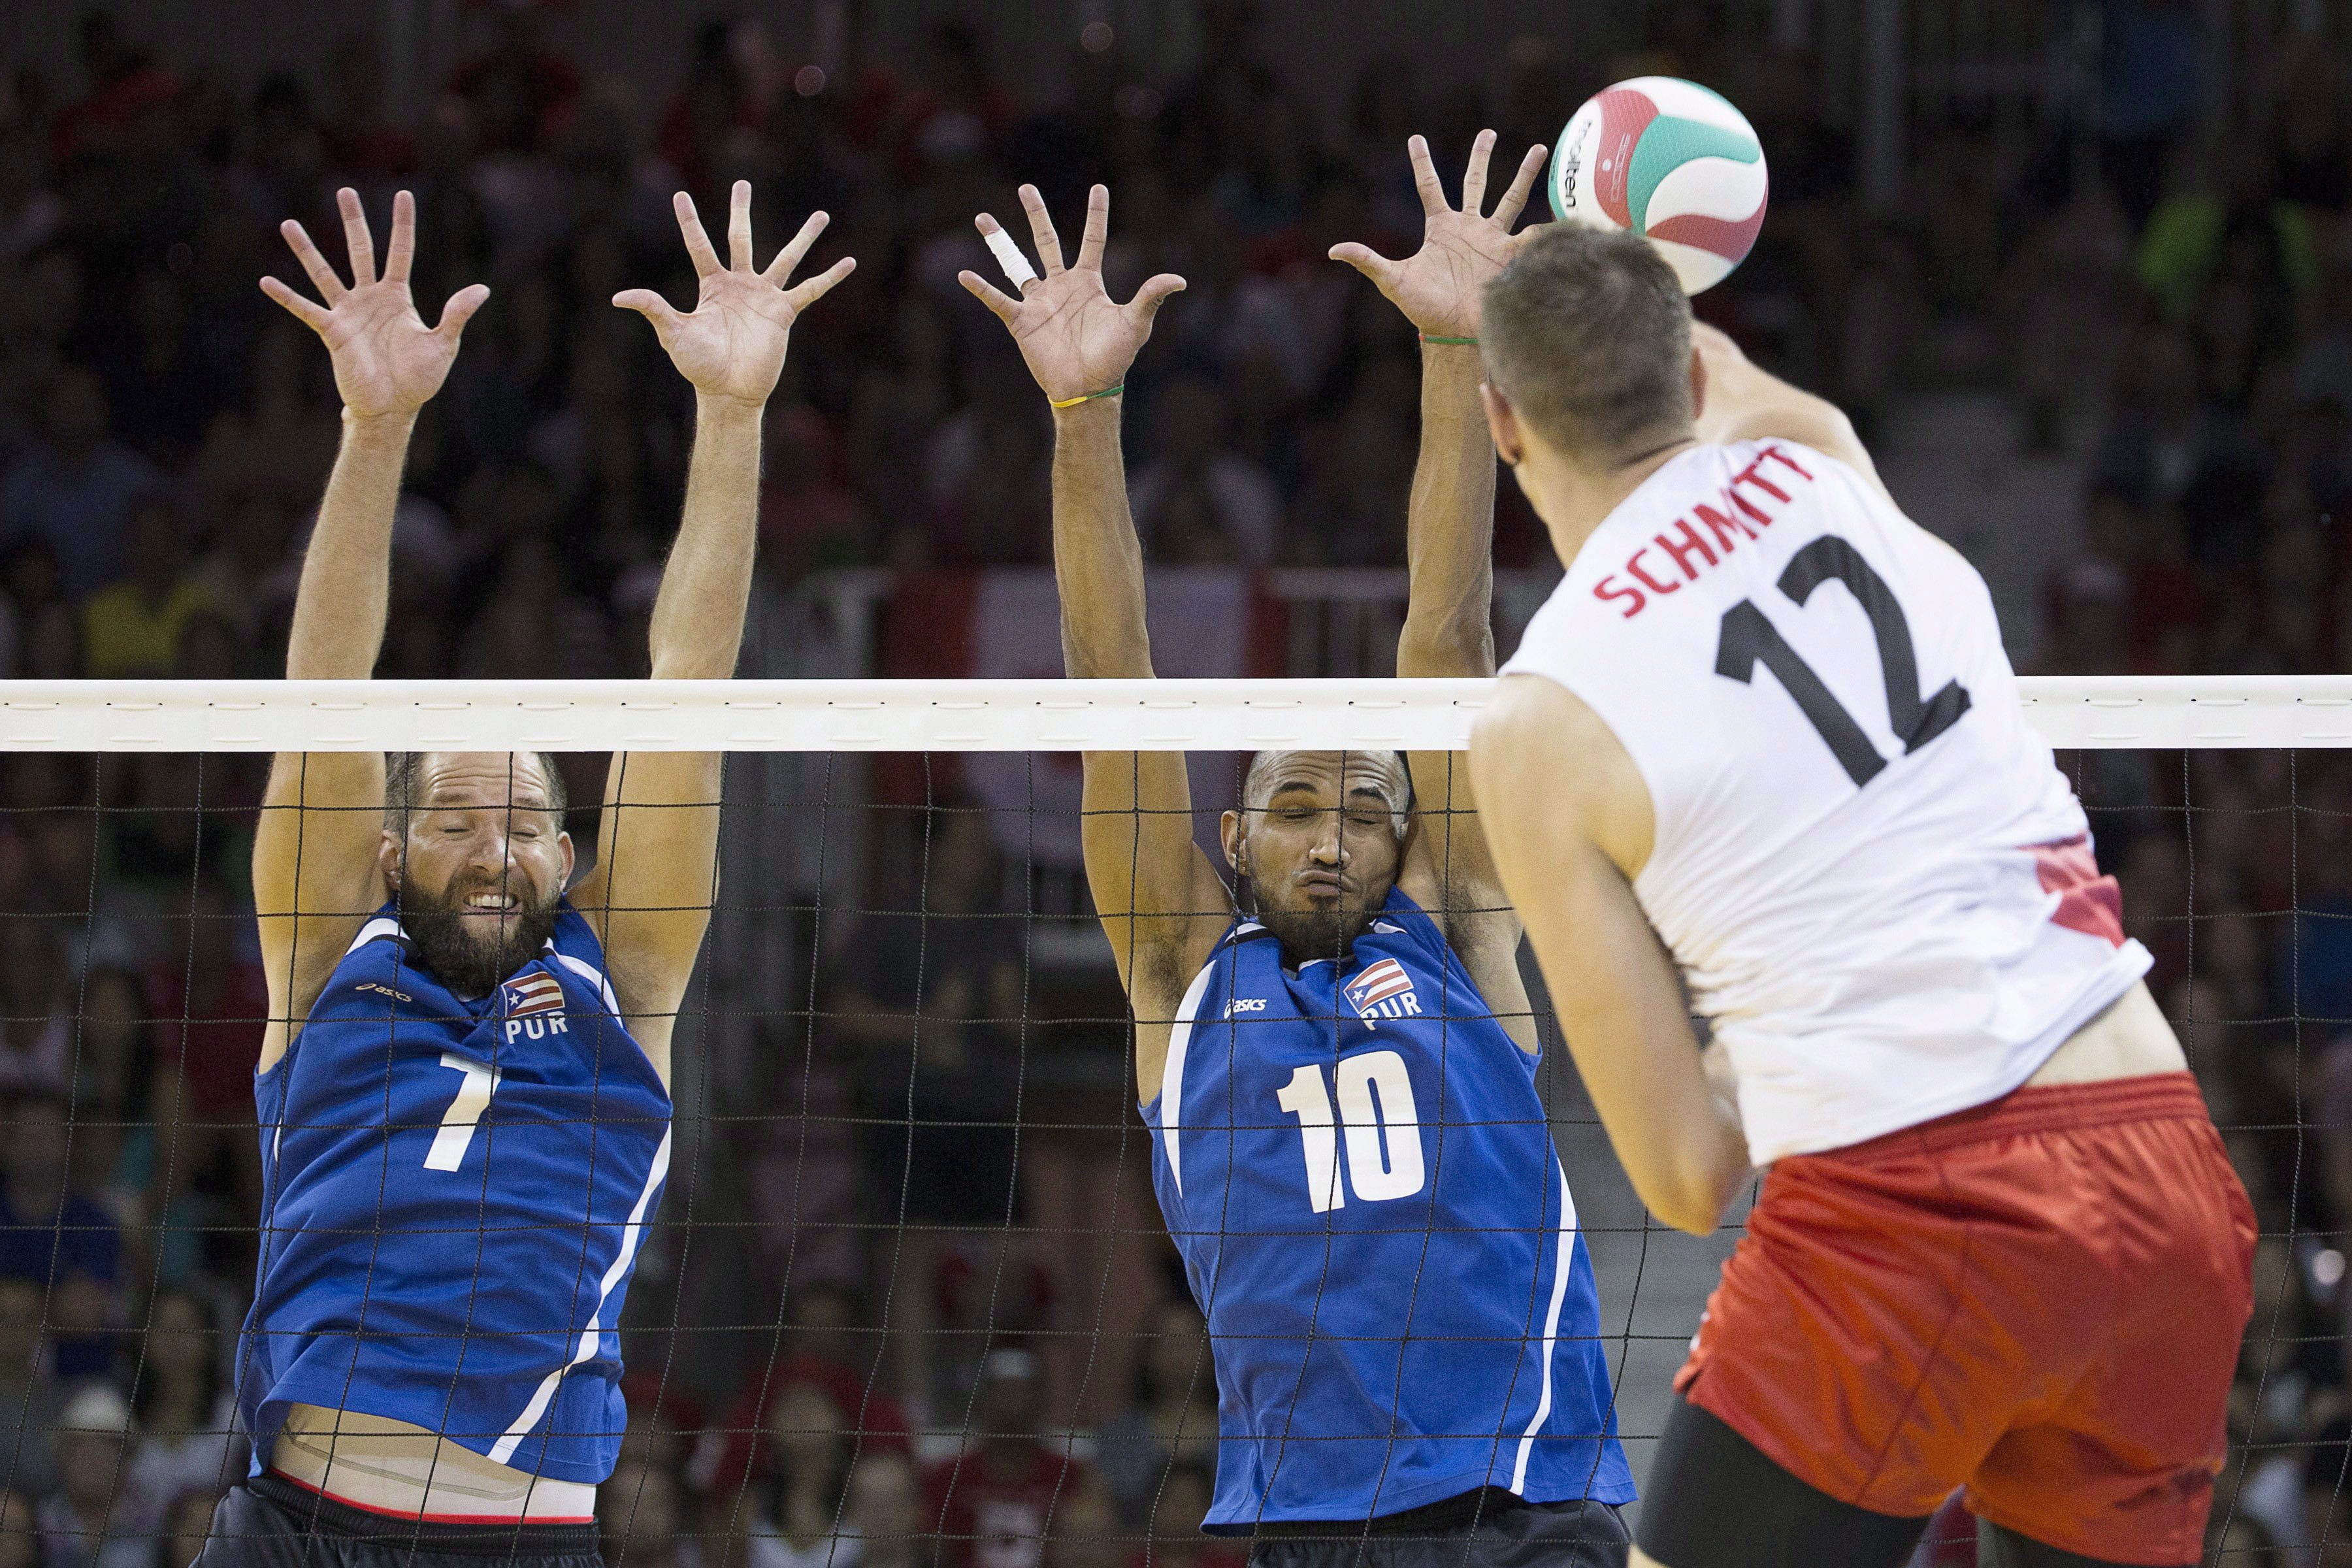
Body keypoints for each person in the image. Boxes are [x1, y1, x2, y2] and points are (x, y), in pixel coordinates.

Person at [1465, 224, 2257, 1568]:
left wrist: (1760, 1030)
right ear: (1690, 365)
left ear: (1501, 422)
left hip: (1924, 1202)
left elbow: (1686, 1175)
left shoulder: (1539, 721)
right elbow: (1735, 382)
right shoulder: (1825, 460)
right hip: (2169, 1165)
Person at [960, 134, 1633, 1563]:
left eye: (1364, 809)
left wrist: (1460, 354)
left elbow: (1445, 640)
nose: (1332, 840)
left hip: (1538, 1501)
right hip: (1318, 1522)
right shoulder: (1178, 977)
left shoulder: (1456, 931)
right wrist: (1085, 409)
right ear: (1229, 833)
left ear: (1407, 838)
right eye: (1296, 808)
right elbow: (1113, 678)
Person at [197, 182, 852, 1566]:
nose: (491, 849)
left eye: (522, 822)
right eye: (452, 821)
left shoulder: (629, 975)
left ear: (571, 855)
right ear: (390, 853)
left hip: (523, 1538)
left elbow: (689, 686)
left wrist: (731, 420)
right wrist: (375, 433)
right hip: (297, 1523)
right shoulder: (328, 956)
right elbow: (326, 689)